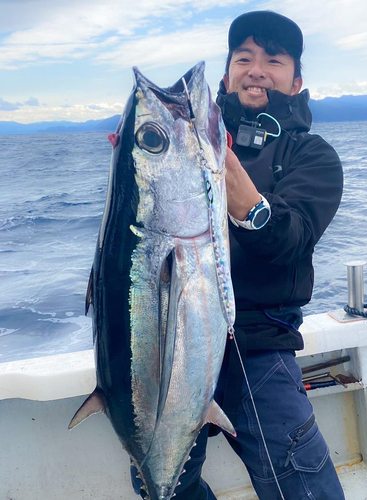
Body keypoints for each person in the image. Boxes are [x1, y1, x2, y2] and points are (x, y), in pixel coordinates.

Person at [132, 10, 344, 500]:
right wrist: (143, 164)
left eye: (274, 59)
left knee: (302, 481)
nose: (257, 69)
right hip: (176, 341)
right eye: (244, 57)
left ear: (297, 80)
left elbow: (290, 242)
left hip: (258, 344)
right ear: (226, 75)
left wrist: (225, 172)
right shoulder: (189, 145)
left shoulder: (310, 156)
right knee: (159, 476)